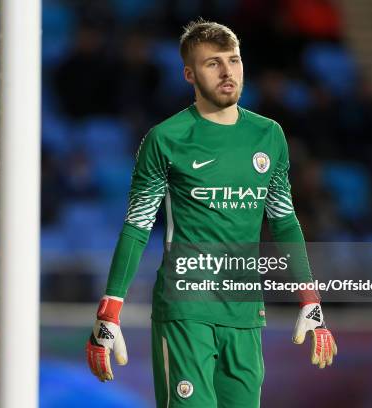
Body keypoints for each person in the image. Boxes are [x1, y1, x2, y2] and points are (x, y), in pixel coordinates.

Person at [85, 19, 337, 407]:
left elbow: (284, 220)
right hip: (185, 310)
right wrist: (109, 311)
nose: (227, 72)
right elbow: (137, 226)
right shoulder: (166, 139)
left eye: (233, 60)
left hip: (245, 312)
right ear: (190, 74)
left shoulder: (268, 135)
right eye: (212, 63)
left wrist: (310, 300)